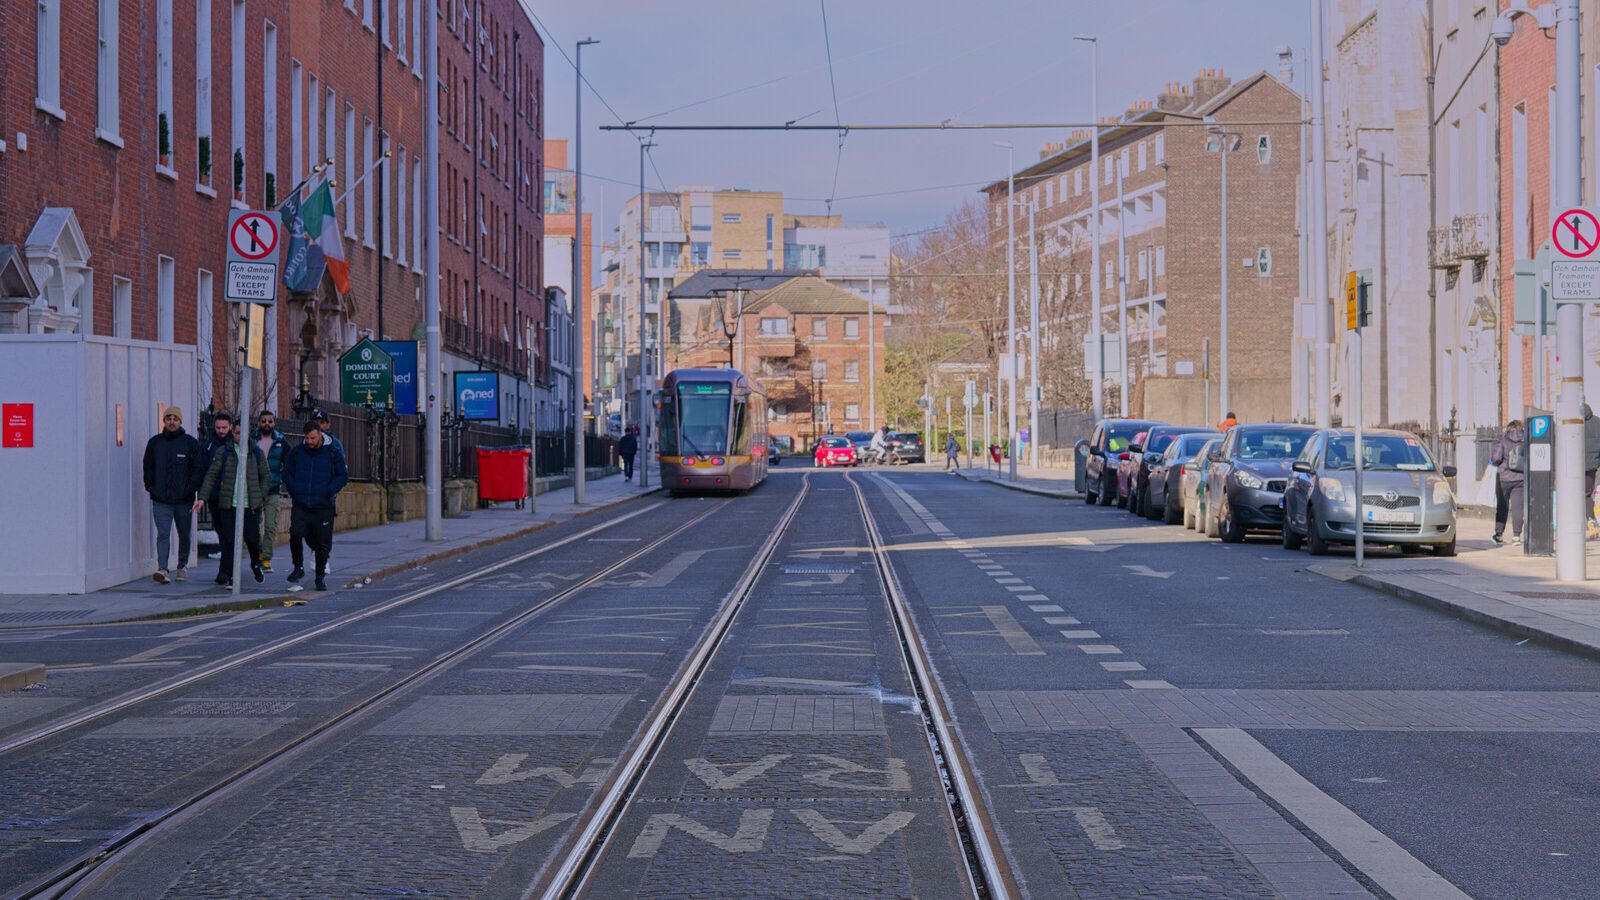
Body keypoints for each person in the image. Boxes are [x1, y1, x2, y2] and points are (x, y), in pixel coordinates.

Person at [195, 418, 270, 584]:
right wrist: (202, 498)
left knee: (252, 539)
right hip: (229, 504)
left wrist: (260, 495)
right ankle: (228, 574)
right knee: (228, 540)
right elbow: (211, 475)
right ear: (232, 433)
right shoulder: (224, 452)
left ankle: (256, 564)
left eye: (243, 433)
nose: (240, 436)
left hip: (249, 505)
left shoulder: (256, 453)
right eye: (237, 433)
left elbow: (266, 477)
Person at [282, 422, 349, 592]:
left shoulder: (332, 453)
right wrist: (294, 489)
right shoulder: (297, 453)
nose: (310, 441)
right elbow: (287, 473)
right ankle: (298, 567)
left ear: (320, 435)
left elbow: (342, 475)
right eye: (307, 438)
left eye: (313, 438)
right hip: (301, 502)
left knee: (321, 543)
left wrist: (331, 489)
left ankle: (320, 577)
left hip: (323, 505)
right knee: (295, 533)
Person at [143, 407, 204, 584]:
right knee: (163, 534)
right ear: (164, 421)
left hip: (184, 500)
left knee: (183, 533)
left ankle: (182, 566)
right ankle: (162, 568)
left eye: (175, 418)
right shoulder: (155, 443)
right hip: (161, 499)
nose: (171, 421)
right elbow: (148, 466)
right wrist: (149, 485)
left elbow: (198, 468)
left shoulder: (190, 443)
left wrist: (191, 488)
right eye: (168, 418)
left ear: (180, 421)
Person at [254, 411, 288, 573]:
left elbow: (289, 463)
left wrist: (284, 480)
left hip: (273, 489)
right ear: (259, 423)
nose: (266, 424)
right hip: (254, 489)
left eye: (270, 421)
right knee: (255, 527)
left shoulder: (281, 441)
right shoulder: (252, 440)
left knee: (270, 526)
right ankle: (258, 556)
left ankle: (266, 559)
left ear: (274, 423)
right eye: (263, 421)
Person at [198, 411, 234, 550]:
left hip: (231, 495)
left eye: (224, 428)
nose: (221, 431)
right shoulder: (208, 446)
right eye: (218, 427)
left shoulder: (235, 445)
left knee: (229, 529)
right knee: (219, 528)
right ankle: (226, 556)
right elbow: (203, 469)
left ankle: (229, 559)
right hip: (215, 495)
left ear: (230, 427)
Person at [1491, 419, 1527, 544]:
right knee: (1518, 508)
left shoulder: (1502, 441)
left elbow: (1496, 459)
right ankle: (1516, 536)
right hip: (1520, 479)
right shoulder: (1526, 441)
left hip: (1503, 478)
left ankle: (1499, 534)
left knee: (1502, 506)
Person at [1585, 404, 1600, 538]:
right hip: (1591, 466)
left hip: (1572, 466)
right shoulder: (1597, 422)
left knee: (1573, 495)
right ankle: (1590, 519)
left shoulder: (1573, 422)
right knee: (1587, 494)